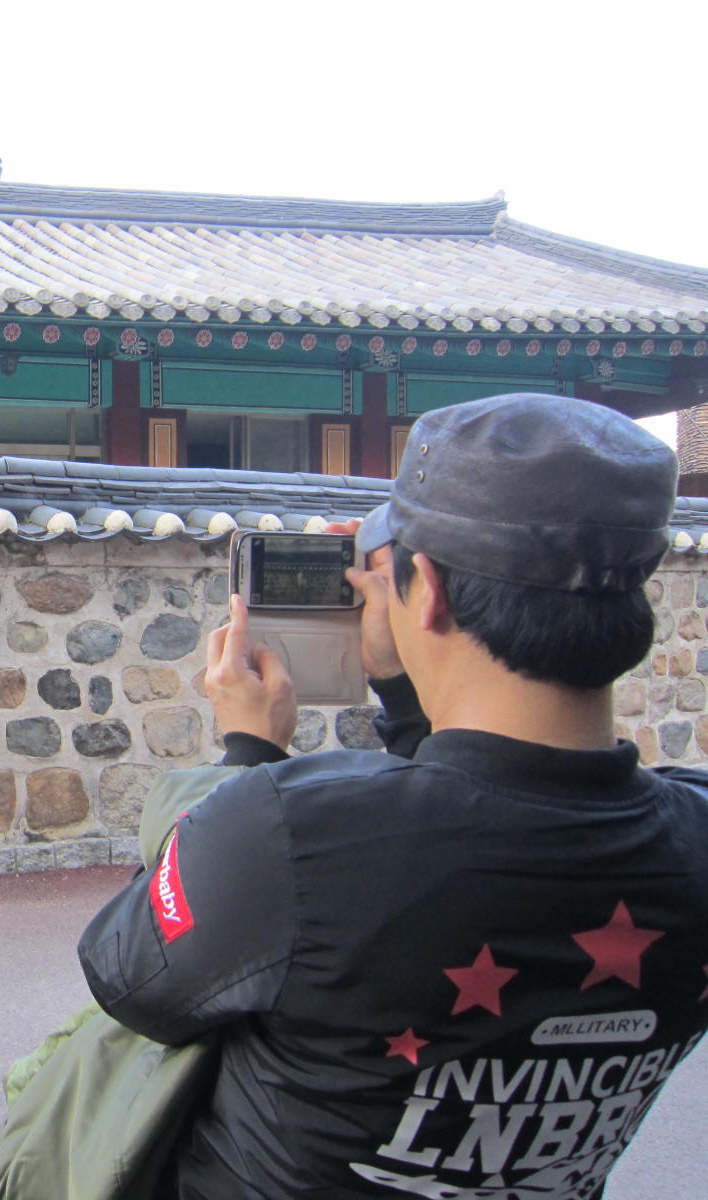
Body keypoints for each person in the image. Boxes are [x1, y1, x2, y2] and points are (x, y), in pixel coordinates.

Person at [76, 393, 708, 1197]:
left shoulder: (286, 831)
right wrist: (407, 695)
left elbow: (131, 979)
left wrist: (246, 755)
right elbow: (474, 817)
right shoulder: (695, 841)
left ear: (429, 592)